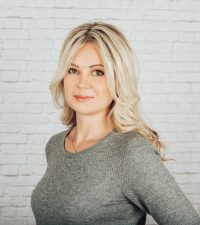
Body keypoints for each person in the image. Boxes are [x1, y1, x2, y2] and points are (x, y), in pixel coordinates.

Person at [31, 21, 200, 225]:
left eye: (98, 72)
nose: (82, 83)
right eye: (73, 70)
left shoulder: (131, 153)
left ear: (118, 80)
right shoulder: (55, 145)